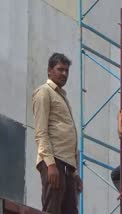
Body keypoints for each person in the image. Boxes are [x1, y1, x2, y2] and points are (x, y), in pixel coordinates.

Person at [32, 53, 82, 214]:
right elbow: (41, 132)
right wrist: (50, 164)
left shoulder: (62, 96)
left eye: (66, 71)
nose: (64, 74)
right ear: (49, 71)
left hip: (68, 166)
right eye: (60, 69)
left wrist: (75, 173)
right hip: (54, 162)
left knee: (70, 211)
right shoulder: (44, 92)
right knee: (52, 209)